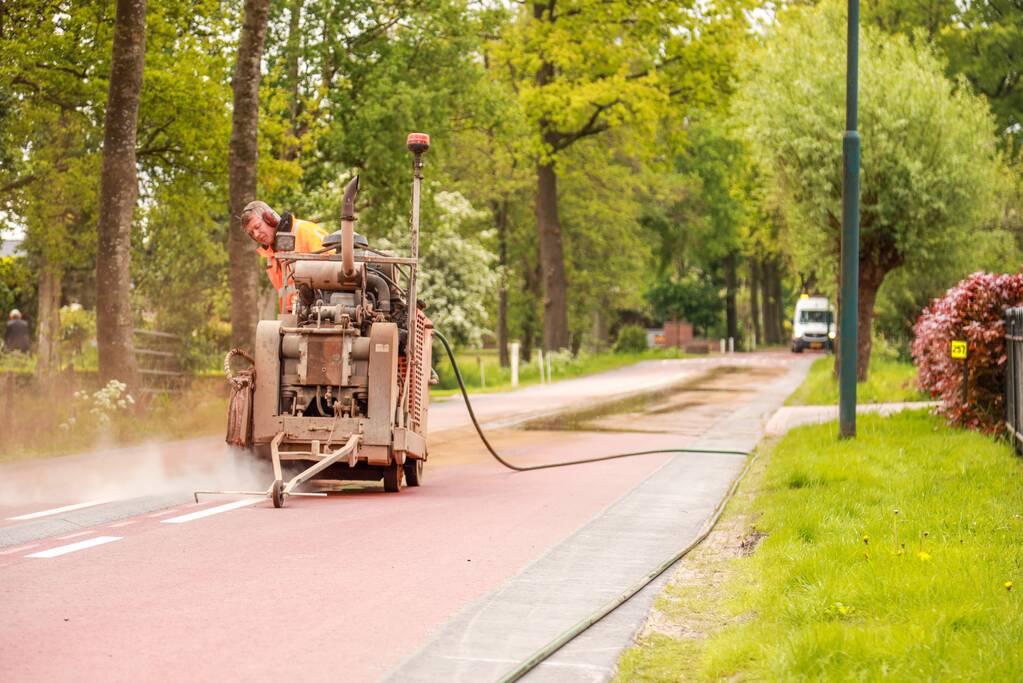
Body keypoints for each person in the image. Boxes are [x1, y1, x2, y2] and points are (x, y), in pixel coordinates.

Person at [240, 201, 327, 312]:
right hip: (294, 320)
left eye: (257, 226)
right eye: (251, 233)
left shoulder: (305, 231)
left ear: (270, 219)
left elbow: (335, 267)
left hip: (321, 314)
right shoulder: (272, 255)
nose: (256, 235)